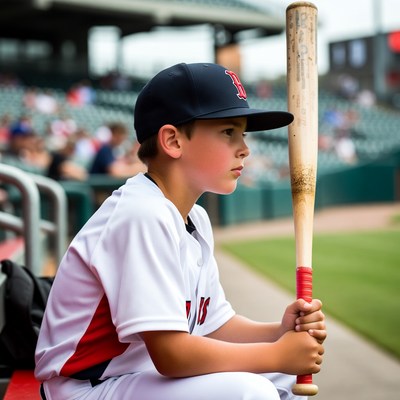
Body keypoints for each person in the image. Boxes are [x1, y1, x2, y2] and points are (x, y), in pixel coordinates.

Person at [35, 62, 326, 400]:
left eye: (242, 133)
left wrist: (279, 333)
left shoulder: (195, 219)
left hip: (135, 376)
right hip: (83, 388)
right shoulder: (141, 214)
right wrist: (276, 353)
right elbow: (171, 354)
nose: (244, 147)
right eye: (228, 132)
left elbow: (214, 326)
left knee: (284, 375)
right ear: (173, 140)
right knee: (252, 391)